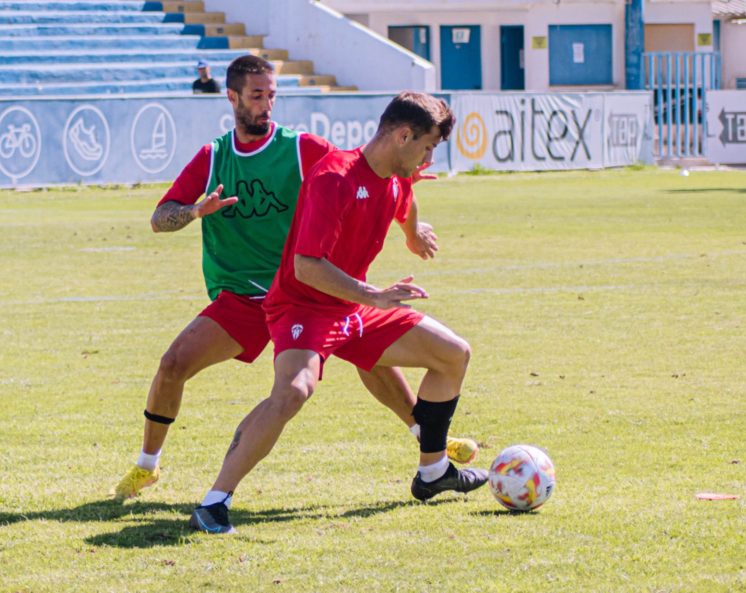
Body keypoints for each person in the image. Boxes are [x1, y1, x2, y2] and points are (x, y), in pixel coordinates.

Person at [112, 56, 477, 501]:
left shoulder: (303, 149)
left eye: (272, 95)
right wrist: (194, 211)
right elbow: (158, 219)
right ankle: (147, 466)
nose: (266, 105)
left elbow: (378, 173)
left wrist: (412, 229)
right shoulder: (214, 158)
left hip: (316, 290)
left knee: (372, 354)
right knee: (174, 365)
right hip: (247, 297)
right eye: (256, 95)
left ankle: (428, 441)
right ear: (231, 98)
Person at [189, 91, 489, 534]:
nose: (428, 157)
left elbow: (405, 203)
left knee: (453, 354)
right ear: (403, 135)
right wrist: (372, 295)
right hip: (304, 305)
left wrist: (412, 234)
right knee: (292, 391)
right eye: (426, 146)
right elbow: (305, 266)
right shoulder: (335, 177)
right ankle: (214, 502)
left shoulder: (396, 175)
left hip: (355, 305)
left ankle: (433, 472)